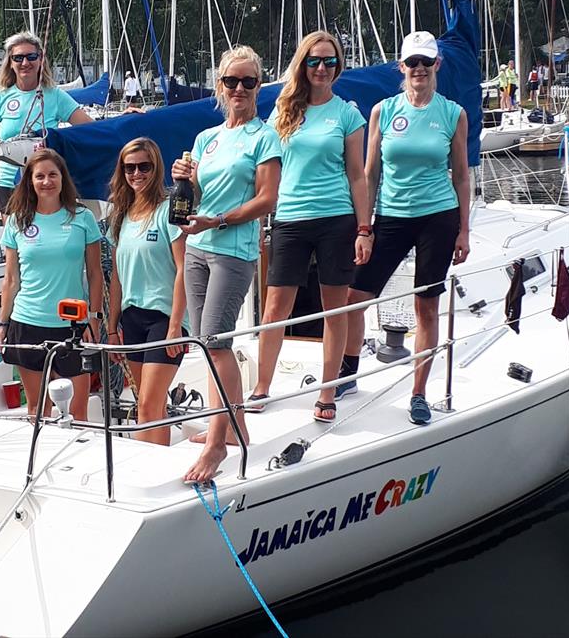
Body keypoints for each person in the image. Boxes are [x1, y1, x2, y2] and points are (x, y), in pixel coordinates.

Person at [343, 31, 470, 426]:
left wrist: (464, 230)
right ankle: (347, 373)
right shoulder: (383, 110)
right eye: (412, 63)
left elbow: (462, 176)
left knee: (425, 307)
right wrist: (364, 226)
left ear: (437, 65)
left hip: (439, 216)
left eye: (425, 62)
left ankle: (419, 392)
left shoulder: (453, 114)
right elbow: (369, 173)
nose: (419, 69)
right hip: (392, 215)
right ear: (401, 67)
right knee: (355, 296)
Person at [170, 45, 281, 483]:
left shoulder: (263, 136)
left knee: (215, 342)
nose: (239, 89)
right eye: (231, 81)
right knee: (205, 342)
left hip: (233, 250)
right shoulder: (206, 139)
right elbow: (196, 197)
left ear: (258, 86)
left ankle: (218, 442)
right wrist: (186, 180)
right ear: (220, 86)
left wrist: (217, 219)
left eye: (248, 82)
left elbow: (267, 199)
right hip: (198, 247)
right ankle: (235, 428)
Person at [247, 31, 371, 422]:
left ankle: (327, 391)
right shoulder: (282, 113)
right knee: (273, 309)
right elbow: (265, 169)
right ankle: (262, 386)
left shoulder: (348, 114)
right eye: (314, 61)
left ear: (338, 66)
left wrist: (364, 228)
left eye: (330, 61)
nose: (322, 68)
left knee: (333, 309)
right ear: (302, 64)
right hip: (290, 219)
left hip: (336, 218)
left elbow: (358, 175)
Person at [0, 149, 104, 419]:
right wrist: (2, 324)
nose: (47, 181)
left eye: (52, 175)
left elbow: (94, 273)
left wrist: (94, 318)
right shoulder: (17, 221)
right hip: (27, 322)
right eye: (39, 176)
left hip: (72, 326)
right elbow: (10, 279)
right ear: (29, 181)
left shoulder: (82, 218)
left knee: (78, 411)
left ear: (62, 178)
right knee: (37, 409)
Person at [106, 138, 188, 445]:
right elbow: (116, 277)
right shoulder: (122, 216)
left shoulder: (168, 211)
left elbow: (183, 268)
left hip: (164, 318)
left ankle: (149, 469)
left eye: (144, 166)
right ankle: (152, 464)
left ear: (156, 168)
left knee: (148, 405)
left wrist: (175, 325)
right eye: (130, 168)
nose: (137, 173)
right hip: (133, 318)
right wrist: (112, 329)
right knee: (148, 405)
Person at [0, 31, 92, 216]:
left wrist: (124, 118)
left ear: (40, 59)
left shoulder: (54, 95)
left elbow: (89, 129)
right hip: (8, 184)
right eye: (18, 58)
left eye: (31, 56)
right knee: (16, 240)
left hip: (45, 183)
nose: (25, 63)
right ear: (10, 62)